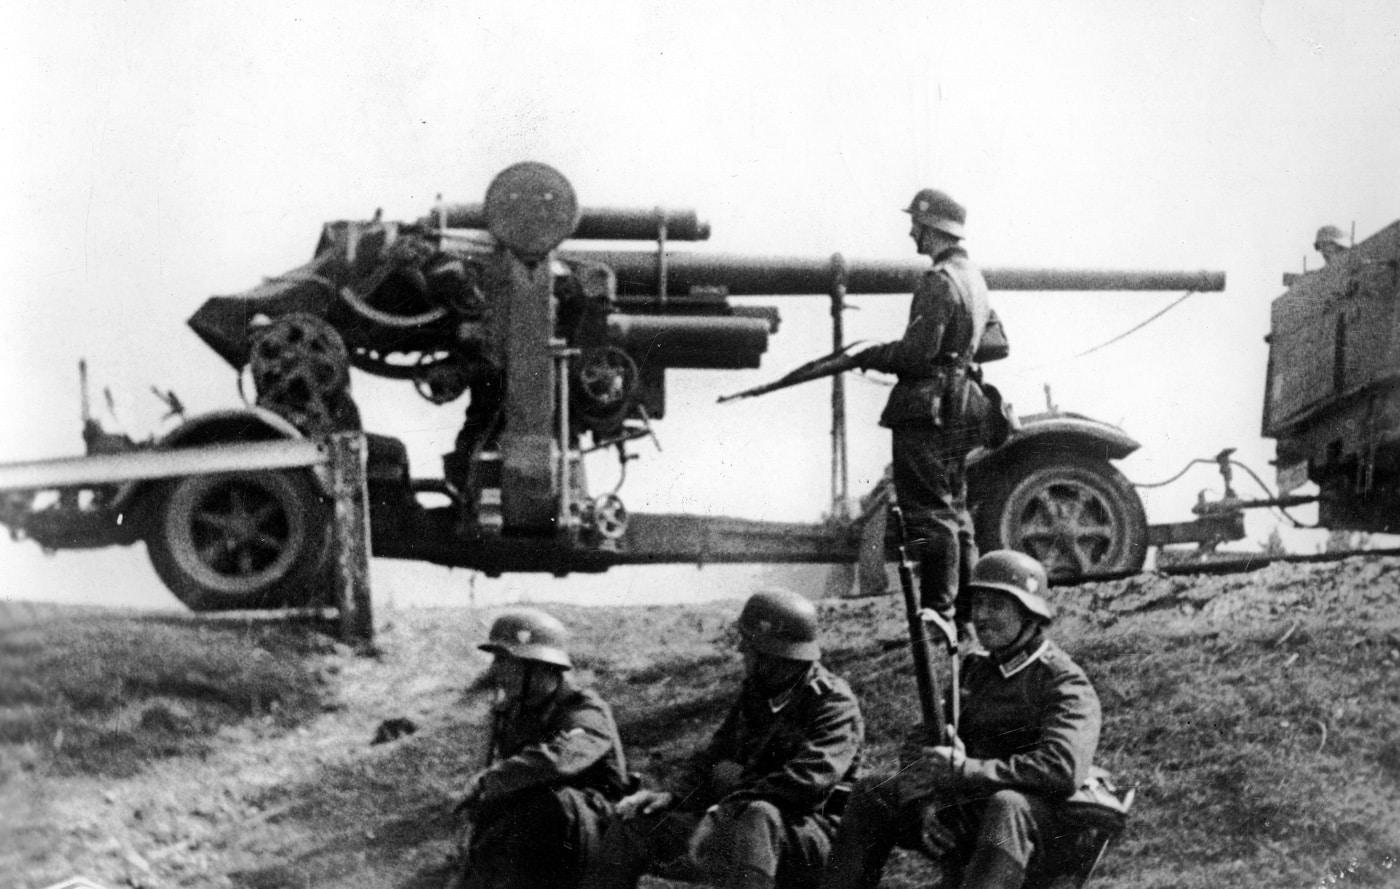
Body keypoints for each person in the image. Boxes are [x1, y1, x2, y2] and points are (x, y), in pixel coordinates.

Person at [819, 551, 1103, 889]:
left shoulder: (1062, 681)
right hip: (974, 805)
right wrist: (924, 800)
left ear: (1029, 613)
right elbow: (923, 739)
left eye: (996, 605)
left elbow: (1060, 768)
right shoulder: (975, 670)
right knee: (872, 793)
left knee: (1006, 804)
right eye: (978, 603)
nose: (981, 616)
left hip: (1043, 826)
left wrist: (966, 770)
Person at [582, 589, 864, 889]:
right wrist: (673, 796)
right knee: (635, 825)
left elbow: (806, 782)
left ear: (769, 657)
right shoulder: (759, 692)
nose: (742, 653)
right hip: (743, 819)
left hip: (815, 837)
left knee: (757, 817)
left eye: (748, 648)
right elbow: (713, 757)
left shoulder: (832, 703)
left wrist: (724, 809)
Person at [854, 188, 995, 629]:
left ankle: (939, 611)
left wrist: (872, 354)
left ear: (933, 229)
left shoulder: (938, 282)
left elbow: (917, 355)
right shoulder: (973, 277)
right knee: (956, 510)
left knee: (929, 512)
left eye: (916, 224)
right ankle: (968, 609)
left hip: (927, 408)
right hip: (961, 405)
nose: (911, 231)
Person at [447, 608, 632, 889]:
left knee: (553, 805)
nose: (494, 670)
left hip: (595, 835)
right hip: (539, 836)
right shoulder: (514, 713)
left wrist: (491, 780)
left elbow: (561, 759)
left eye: (504, 659)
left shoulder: (585, 710)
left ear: (539, 665)